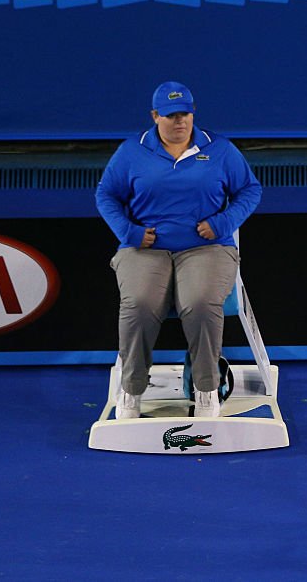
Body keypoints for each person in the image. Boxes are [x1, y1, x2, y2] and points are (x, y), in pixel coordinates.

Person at [95, 81, 262, 419]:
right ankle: (131, 390)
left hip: (207, 248)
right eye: (170, 115)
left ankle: (205, 389)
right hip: (145, 250)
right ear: (155, 116)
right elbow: (106, 195)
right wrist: (130, 231)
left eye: (184, 113)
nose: (179, 121)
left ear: (193, 112)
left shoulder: (220, 149)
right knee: (140, 304)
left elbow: (249, 190)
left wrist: (223, 222)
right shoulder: (132, 151)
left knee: (200, 303)